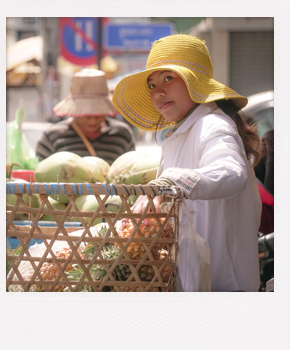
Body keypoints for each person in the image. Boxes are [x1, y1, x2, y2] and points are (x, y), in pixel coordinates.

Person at [112, 34, 263, 292]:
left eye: (168, 78)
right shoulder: (180, 134)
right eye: (151, 85)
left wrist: (168, 181)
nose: (158, 92)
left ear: (196, 83)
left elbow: (231, 173)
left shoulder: (212, 125)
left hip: (224, 289)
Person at [36, 68, 136, 165]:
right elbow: (39, 175)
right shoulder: (52, 137)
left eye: (98, 114)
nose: (92, 120)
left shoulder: (122, 135)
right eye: (87, 115)